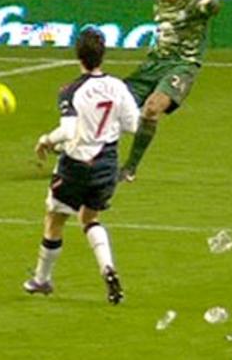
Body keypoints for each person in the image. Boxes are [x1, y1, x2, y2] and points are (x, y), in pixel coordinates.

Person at [23, 27, 140, 305]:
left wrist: (46, 140)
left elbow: (67, 130)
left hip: (76, 164)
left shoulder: (71, 91)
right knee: (90, 218)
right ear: (102, 56)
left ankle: (42, 279)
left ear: (78, 56)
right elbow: (133, 125)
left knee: (54, 219)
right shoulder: (118, 86)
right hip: (107, 163)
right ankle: (107, 268)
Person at [119, 0, 220, 182]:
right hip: (152, 65)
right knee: (113, 105)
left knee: (152, 108)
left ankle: (130, 169)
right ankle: (84, 155)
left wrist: (208, 2)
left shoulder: (193, 1)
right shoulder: (161, 4)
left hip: (181, 65)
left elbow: (212, 6)